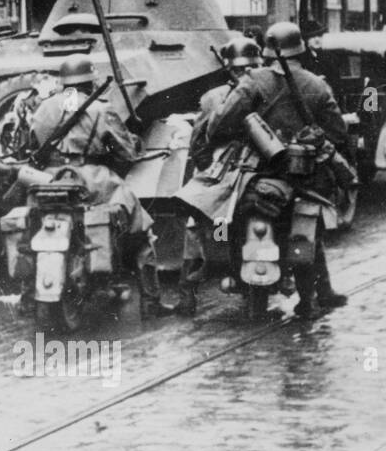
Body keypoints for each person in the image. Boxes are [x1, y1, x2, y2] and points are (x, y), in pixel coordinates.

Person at [207, 21, 350, 317]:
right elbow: (337, 133)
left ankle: (246, 287)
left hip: (259, 178)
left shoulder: (252, 81)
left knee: (236, 222)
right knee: (308, 231)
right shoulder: (318, 84)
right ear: (302, 48)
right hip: (305, 177)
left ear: (267, 51)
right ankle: (310, 299)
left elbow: (219, 125)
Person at [25, 53, 173, 318]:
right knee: (141, 228)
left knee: (31, 225)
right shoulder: (100, 108)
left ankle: (28, 294)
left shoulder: (44, 107)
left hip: (49, 180)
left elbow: (32, 146)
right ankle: (151, 302)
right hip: (91, 179)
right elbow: (127, 153)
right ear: (90, 82)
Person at [174, 35, 264, 316]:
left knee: (195, 225)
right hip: (259, 169)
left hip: (220, 173)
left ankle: (188, 293)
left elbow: (199, 143)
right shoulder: (267, 90)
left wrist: (208, 169)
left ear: (228, 67)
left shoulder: (213, 97)